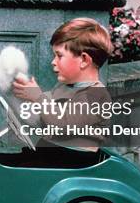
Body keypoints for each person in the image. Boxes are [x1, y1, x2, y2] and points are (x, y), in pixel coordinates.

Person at [12, 17, 113, 151]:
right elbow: (45, 116)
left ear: (84, 60)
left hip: (75, 160)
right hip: (54, 153)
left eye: (59, 56)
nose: (53, 62)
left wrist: (37, 98)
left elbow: (62, 125)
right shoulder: (64, 87)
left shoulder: (95, 95)